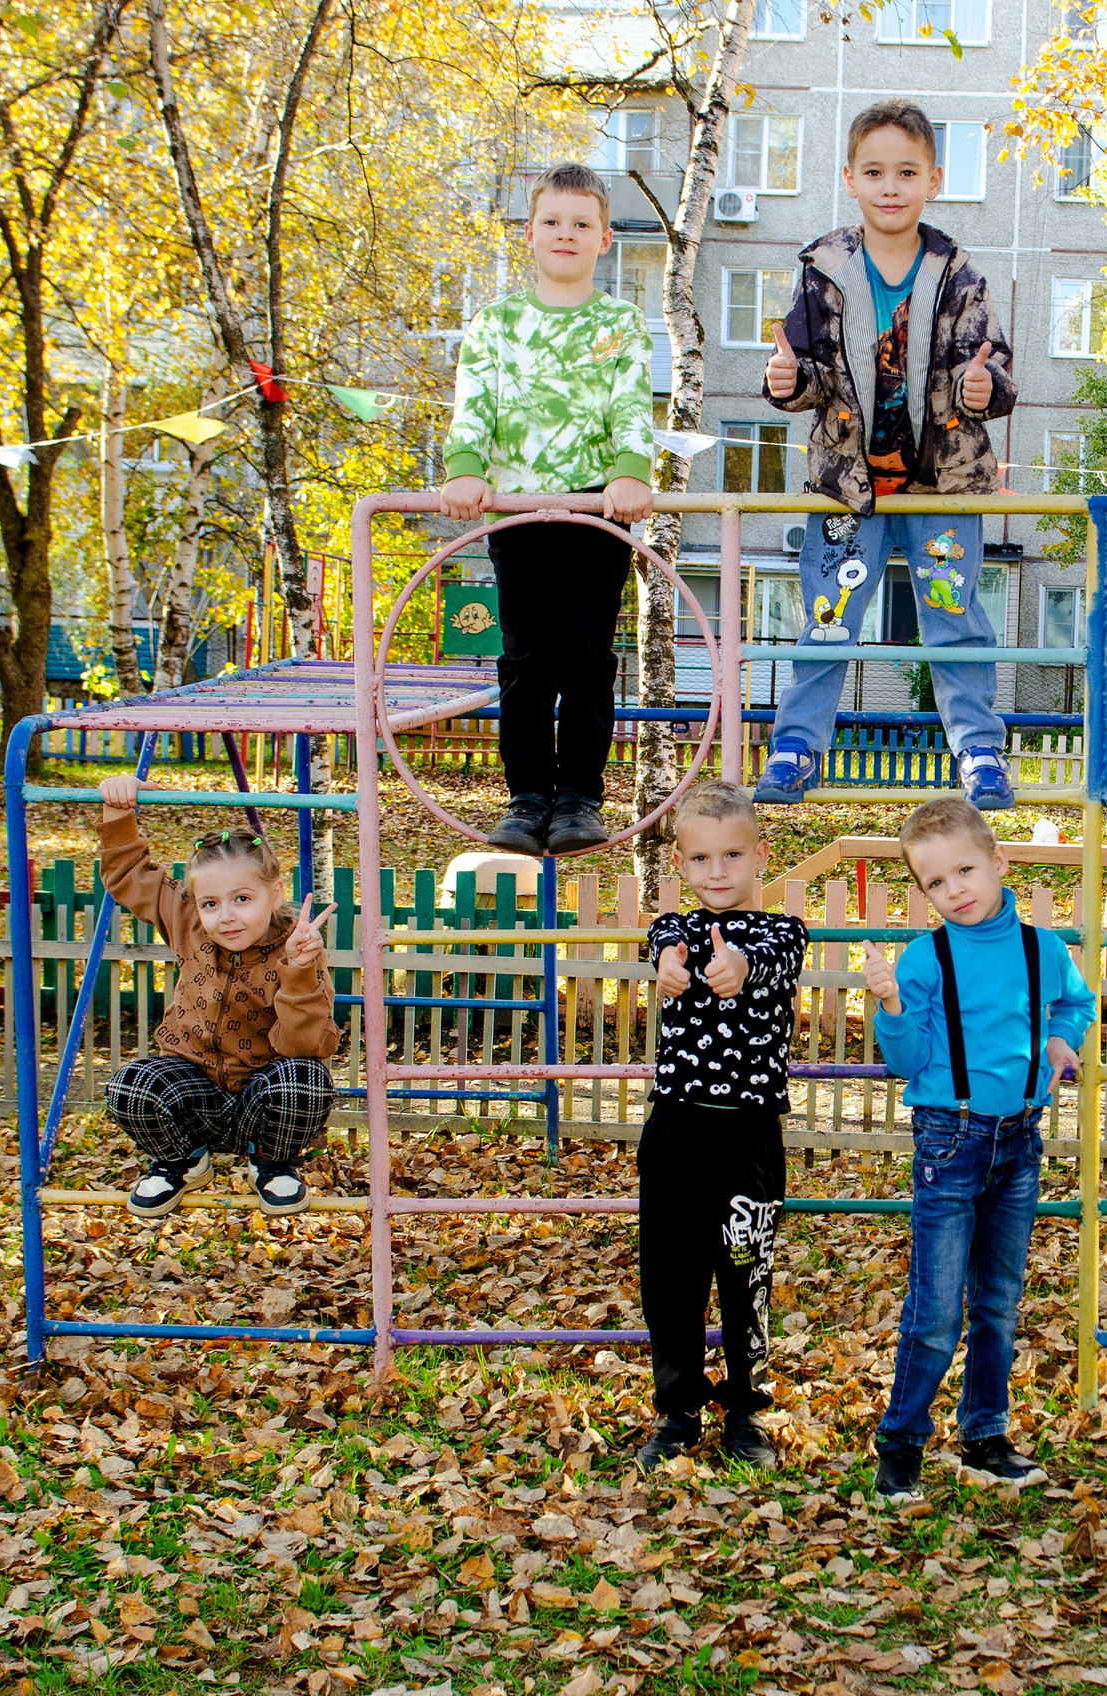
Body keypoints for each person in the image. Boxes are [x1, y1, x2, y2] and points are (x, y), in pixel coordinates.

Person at [757, 100, 1020, 812]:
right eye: (875, 171)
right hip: (849, 484)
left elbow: (997, 375)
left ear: (933, 178)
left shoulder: (959, 273)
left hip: (940, 485)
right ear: (849, 177)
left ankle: (978, 749)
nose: (891, 186)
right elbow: (805, 371)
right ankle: (797, 747)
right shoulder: (822, 267)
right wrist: (787, 383)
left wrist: (979, 384)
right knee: (828, 613)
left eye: (906, 171)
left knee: (953, 610)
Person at [861, 796, 1095, 1501]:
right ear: (923, 892)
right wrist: (890, 1006)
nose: (954, 890)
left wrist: (1063, 1039)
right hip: (950, 1139)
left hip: (1020, 1141)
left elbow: (1074, 1003)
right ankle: (901, 1441)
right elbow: (906, 1060)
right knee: (935, 1310)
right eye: (936, 882)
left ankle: (985, 1434)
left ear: (998, 863)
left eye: (965, 870)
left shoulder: (1042, 949)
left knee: (998, 1301)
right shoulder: (924, 959)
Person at [436, 160, 656, 859]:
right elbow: (473, 405)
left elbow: (631, 407)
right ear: (528, 235)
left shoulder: (620, 322)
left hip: (596, 515)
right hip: (520, 516)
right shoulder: (496, 324)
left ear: (605, 240)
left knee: (588, 657)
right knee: (526, 659)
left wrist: (628, 474)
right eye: (552, 222)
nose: (566, 233)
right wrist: (466, 471)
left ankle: (580, 799)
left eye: (581, 223)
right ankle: (527, 796)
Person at [634, 781, 810, 1470]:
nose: (717, 872)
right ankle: (677, 1409)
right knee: (670, 1277)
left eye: (732, 855)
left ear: (761, 855)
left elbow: (765, 962)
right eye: (701, 859)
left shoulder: (781, 933)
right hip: (676, 1129)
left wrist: (738, 966)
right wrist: (667, 964)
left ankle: (745, 1410)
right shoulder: (672, 930)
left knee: (747, 1274)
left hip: (748, 1134)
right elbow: (662, 945)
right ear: (680, 864)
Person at [96, 776, 342, 1220]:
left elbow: (306, 1047)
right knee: (129, 1087)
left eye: (242, 899)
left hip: (264, 1101)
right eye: (210, 903)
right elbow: (130, 876)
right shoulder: (188, 922)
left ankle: (270, 1162)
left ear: (275, 892)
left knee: (307, 1080)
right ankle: (183, 1160)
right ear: (195, 903)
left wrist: (299, 970)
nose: (226, 917)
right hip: (194, 1093)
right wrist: (118, 812)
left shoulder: (298, 945)